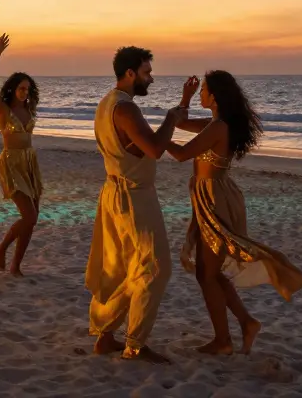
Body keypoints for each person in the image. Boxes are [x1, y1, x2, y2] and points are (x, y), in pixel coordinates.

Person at [167, 71, 302, 355]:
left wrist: (151, 141)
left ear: (216, 96)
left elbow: (182, 154)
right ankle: (244, 324)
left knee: (207, 274)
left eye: (204, 90)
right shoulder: (215, 124)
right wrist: (186, 98)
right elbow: (181, 122)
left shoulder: (219, 127)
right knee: (208, 272)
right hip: (211, 196)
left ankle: (226, 339)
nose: (202, 94)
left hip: (215, 199)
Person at [86, 46, 185, 364]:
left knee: (118, 268)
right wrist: (171, 116)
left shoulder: (106, 104)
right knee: (156, 268)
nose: (151, 78)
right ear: (129, 73)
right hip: (133, 197)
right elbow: (155, 149)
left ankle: (106, 336)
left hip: (115, 193)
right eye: (146, 72)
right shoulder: (126, 108)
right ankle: (135, 344)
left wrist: (183, 103)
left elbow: (135, 148)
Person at [0, 33, 44, 276]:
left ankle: (16, 265)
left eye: (27, 90)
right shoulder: (3, 109)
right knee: (28, 216)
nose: (24, 93)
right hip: (11, 162)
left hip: (30, 162)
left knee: (33, 218)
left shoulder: (29, 109)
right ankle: (1, 248)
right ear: (12, 89)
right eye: (21, 88)